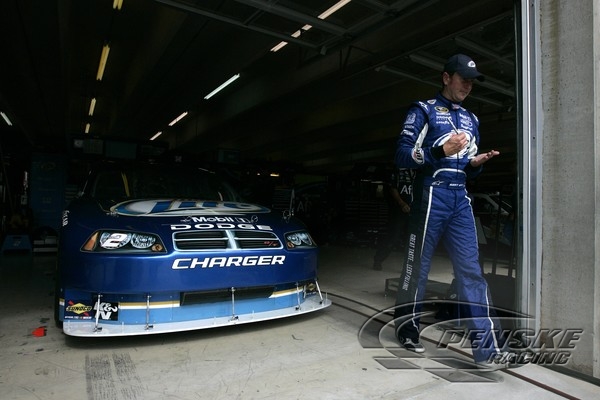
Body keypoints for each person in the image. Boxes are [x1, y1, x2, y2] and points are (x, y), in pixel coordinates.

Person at [393, 53, 509, 370]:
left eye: (472, 82)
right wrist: (438, 150)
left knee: (471, 272)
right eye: (463, 79)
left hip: (460, 197)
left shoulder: (472, 120)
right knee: (418, 267)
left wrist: (476, 164)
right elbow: (401, 155)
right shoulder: (423, 110)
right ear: (446, 78)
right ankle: (406, 330)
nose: (468, 86)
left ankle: (488, 350)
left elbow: (467, 168)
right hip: (430, 193)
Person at [373, 167, 415, 270]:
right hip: (398, 211)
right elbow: (393, 188)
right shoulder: (398, 172)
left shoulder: (418, 173)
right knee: (393, 236)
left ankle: (410, 266)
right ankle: (378, 260)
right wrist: (401, 203)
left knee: (412, 239)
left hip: (413, 211)